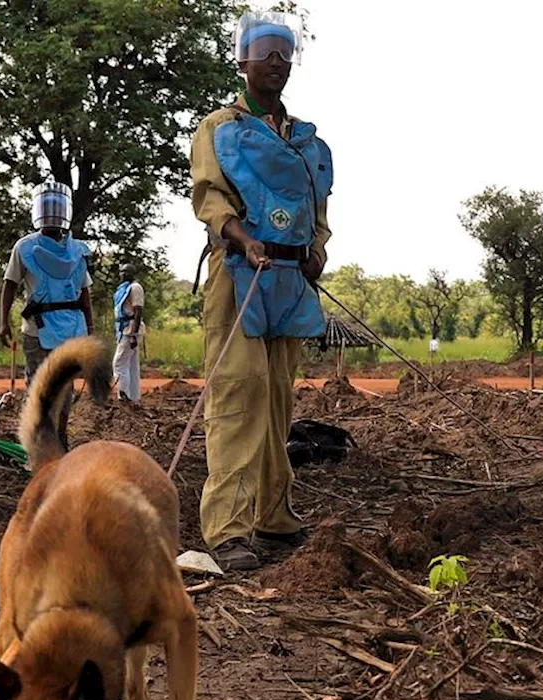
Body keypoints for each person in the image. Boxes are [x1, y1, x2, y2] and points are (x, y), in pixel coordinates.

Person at [189, 9, 333, 571]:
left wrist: (317, 249)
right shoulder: (219, 127)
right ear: (242, 60)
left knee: (276, 396)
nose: (276, 62)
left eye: (284, 53)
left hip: (291, 282)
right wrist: (244, 238)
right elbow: (209, 199)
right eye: (265, 52)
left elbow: (315, 210)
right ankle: (228, 529)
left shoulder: (305, 140)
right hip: (240, 275)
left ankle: (274, 517)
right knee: (236, 393)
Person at [0, 180, 94, 448]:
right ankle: (53, 438)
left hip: (45, 330)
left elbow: (9, 285)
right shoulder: (75, 250)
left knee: (44, 386)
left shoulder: (32, 247)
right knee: (57, 386)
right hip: (56, 330)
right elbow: (85, 295)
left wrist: (3, 322)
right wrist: (90, 328)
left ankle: (51, 439)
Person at [113, 262, 146, 402]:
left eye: (127, 272)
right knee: (131, 364)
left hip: (130, 329)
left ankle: (123, 395)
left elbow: (138, 311)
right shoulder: (123, 289)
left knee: (119, 363)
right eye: (122, 271)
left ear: (133, 274)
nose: (123, 274)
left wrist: (133, 334)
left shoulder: (135, 287)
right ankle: (133, 397)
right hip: (124, 328)